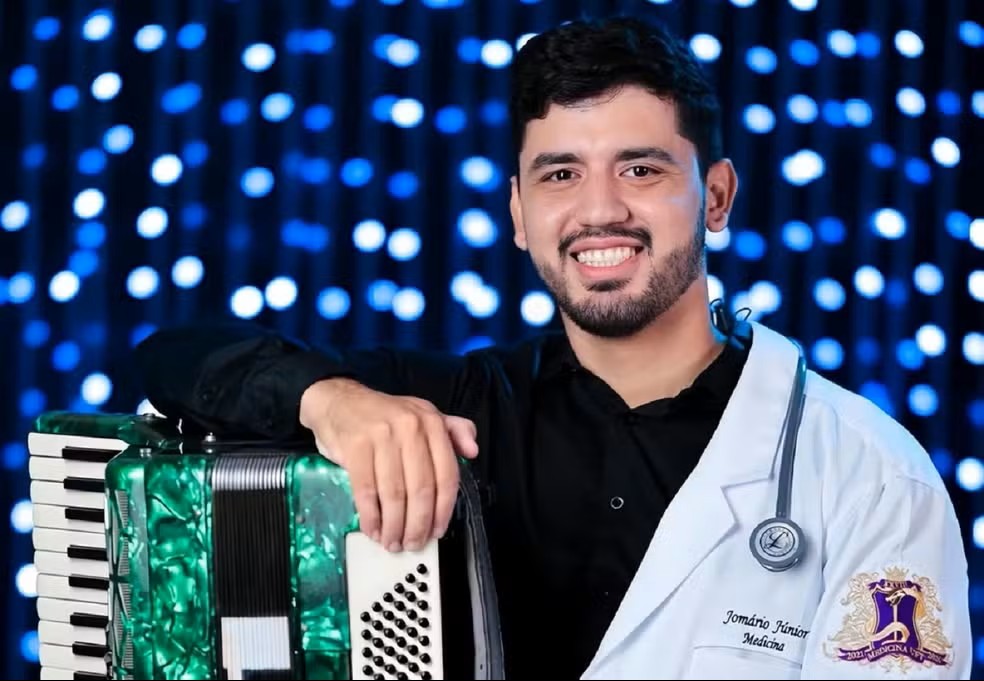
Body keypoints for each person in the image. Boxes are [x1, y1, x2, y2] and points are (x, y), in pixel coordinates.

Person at [132, 14, 971, 680]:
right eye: (560, 174)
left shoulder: (868, 474)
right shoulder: (454, 401)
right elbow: (173, 360)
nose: (598, 210)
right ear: (519, 213)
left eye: (640, 169)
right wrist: (330, 399)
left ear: (715, 197)